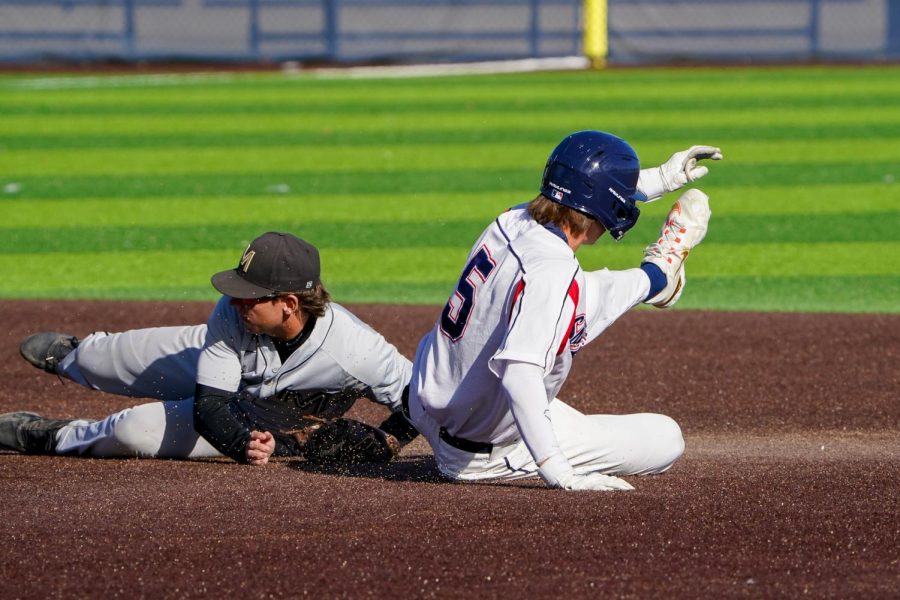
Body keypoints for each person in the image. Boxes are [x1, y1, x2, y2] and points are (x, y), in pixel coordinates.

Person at [405, 130, 721, 491]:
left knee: (584, 294)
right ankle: (661, 275)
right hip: (483, 450)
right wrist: (558, 470)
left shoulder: (511, 220)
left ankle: (659, 276)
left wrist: (663, 179)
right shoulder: (552, 273)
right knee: (667, 438)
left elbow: (584, 192)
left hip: (428, 404)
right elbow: (518, 374)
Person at [1, 232, 418, 465]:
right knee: (104, 357)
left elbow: (426, 401)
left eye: (251, 296)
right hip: (217, 361)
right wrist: (239, 445)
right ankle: (75, 358)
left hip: (256, 419)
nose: (236, 300)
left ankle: (47, 435)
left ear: (289, 304)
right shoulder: (233, 313)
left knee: (131, 432)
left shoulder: (358, 352)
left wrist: (390, 441)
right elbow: (209, 406)